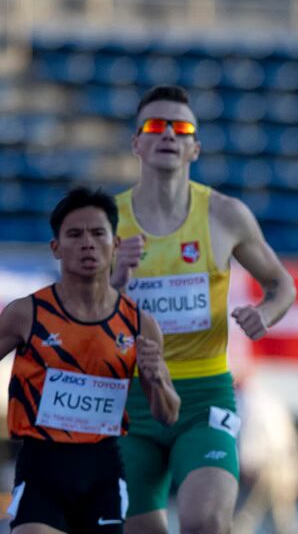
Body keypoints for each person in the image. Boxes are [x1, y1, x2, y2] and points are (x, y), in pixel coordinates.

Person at [111, 85, 297, 534]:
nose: (169, 134)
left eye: (182, 127)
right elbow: (75, 310)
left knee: (206, 521)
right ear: (137, 142)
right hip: (129, 397)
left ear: (195, 146)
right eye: (156, 126)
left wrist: (265, 314)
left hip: (204, 395)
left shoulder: (224, 215)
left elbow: (282, 284)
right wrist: (114, 278)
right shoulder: (105, 221)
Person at [0, 187, 180, 533]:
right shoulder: (27, 313)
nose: (88, 243)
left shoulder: (140, 324)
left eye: (98, 233)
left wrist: (156, 377)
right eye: (75, 234)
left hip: (102, 472)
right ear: (56, 247)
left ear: (115, 244)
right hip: (41, 467)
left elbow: (168, 413)